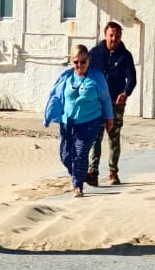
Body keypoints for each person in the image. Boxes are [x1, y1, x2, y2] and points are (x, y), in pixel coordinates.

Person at [44, 46, 114, 195]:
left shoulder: (97, 77)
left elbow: (105, 99)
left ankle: (77, 185)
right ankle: (82, 175)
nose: (80, 65)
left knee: (80, 153)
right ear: (71, 61)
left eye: (83, 62)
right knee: (65, 155)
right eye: (76, 62)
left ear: (89, 60)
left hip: (90, 122)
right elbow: (55, 96)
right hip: (68, 123)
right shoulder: (66, 77)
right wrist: (49, 115)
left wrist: (109, 118)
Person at [86, 21, 136, 186]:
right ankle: (93, 172)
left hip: (115, 104)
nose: (114, 39)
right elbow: (86, 75)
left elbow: (132, 78)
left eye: (117, 36)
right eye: (111, 35)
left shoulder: (125, 55)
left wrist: (126, 93)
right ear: (105, 35)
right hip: (97, 104)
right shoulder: (94, 53)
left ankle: (113, 172)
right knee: (95, 138)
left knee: (114, 139)